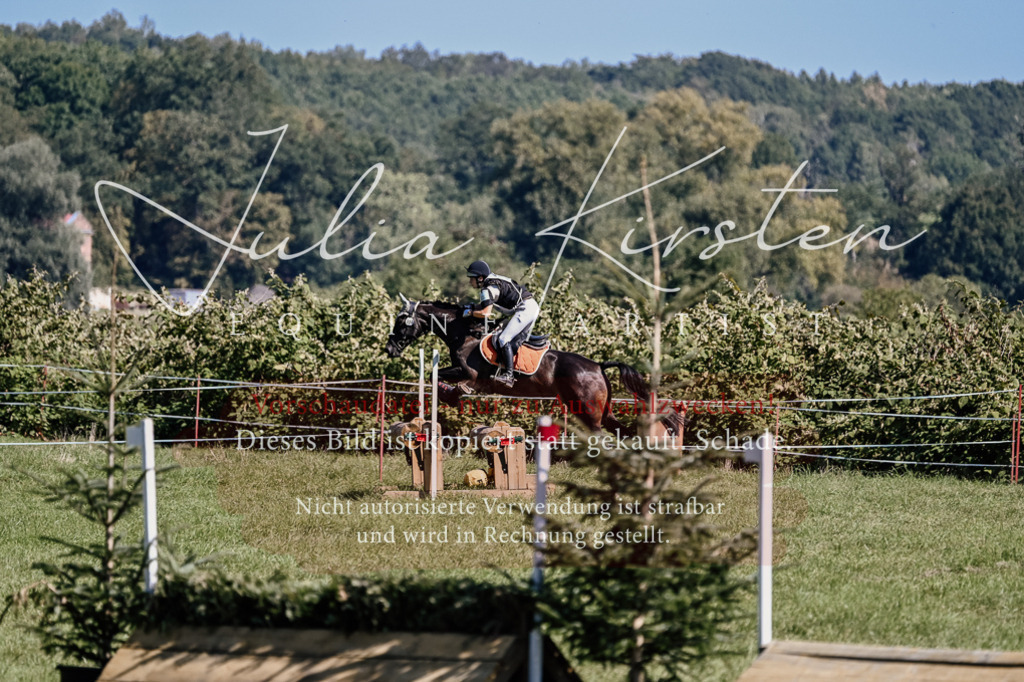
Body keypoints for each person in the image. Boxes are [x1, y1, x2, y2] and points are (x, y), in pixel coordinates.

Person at [463, 260, 540, 387]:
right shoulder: (492, 282)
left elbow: (485, 313)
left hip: (525, 308)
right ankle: (514, 370)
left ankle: (509, 376)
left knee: (504, 339)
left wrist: (470, 313)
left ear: (480, 278)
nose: (470, 282)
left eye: (472, 278)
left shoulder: (486, 290)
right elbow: (484, 305)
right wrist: (472, 307)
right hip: (530, 306)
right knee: (511, 339)